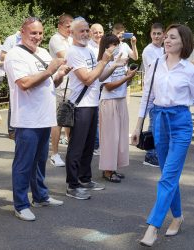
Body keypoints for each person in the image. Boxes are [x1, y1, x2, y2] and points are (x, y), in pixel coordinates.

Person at [131, 24, 194, 247]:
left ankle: (153, 227)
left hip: (180, 124)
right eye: (166, 37)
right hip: (159, 123)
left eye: (172, 37)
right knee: (169, 174)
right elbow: (147, 97)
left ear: (183, 43)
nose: (166, 40)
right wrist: (138, 127)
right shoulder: (155, 64)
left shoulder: (190, 70)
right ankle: (177, 216)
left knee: (167, 177)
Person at [4, 17, 72, 221]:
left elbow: (49, 82)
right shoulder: (15, 55)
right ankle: (21, 204)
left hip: (44, 118)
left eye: (41, 33)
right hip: (27, 120)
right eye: (33, 33)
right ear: (22, 32)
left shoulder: (42, 53)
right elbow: (24, 83)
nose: (38, 37)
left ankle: (40, 196)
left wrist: (59, 74)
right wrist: (51, 70)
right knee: (24, 164)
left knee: (40, 162)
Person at [65, 18, 114, 200]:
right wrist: (103, 61)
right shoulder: (73, 52)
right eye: (82, 31)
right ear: (72, 33)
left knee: (88, 146)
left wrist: (113, 65)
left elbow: (98, 77)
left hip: (92, 103)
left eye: (87, 30)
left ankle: (85, 178)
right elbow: (86, 78)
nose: (85, 34)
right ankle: (72, 185)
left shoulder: (89, 50)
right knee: (76, 146)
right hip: (81, 106)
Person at [98, 34, 137, 183]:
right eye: (113, 44)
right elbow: (108, 86)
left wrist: (129, 76)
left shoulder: (120, 62)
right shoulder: (105, 63)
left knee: (119, 137)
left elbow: (123, 84)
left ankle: (113, 168)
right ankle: (107, 170)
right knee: (110, 138)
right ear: (106, 47)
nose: (116, 47)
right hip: (109, 102)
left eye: (117, 44)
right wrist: (126, 78)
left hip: (120, 101)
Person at [48, 13, 73, 167]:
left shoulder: (71, 39)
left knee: (69, 121)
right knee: (58, 120)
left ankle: (71, 150)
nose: (70, 29)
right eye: (67, 26)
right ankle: (54, 154)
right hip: (60, 84)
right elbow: (66, 58)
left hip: (71, 85)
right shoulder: (55, 39)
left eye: (72, 26)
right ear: (60, 26)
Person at [141, 23, 165, 168]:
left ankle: (156, 153)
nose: (156, 36)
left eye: (159, 33)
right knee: (153, 124)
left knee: (159, 125)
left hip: (162, 92)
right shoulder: (148, 50)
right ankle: (150, 155)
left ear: (163, 35)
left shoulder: (163, 49)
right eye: (154, 33)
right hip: (152, 92)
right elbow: (157, 69)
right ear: (151, 34)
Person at [0, 31, 21, 139]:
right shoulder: (11, 39)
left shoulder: (31, 39)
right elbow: (2, 56)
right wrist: (16, 55)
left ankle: (21, 127)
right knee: (14, 100)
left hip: (27, 73)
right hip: (13, 73)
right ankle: (12, 130)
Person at [88, 23, 104, 156]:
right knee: (96, 117)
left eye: (100, 32)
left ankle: (97, 143)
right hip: (94, 86)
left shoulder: (106, 46)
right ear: (90, 33)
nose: (98, 35)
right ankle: (95, 144)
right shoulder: (88, 48)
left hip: (106, 84)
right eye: (95, 32)